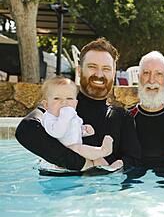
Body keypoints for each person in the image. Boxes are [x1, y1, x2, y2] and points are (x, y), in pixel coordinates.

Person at [16, 38, 141, 171]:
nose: (99, 74)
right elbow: (26, 130)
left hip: (103, 189)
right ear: (79, 71)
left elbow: (133, 159)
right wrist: (83, 165)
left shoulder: (122, 116)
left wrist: (117, 168)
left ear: (113, 73)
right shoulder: (61, 103)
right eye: (92, 67)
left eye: (106, 69)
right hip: (58, 187)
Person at [40, 76, 113, 161]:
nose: (64, 102)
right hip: (60, 154)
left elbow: (72, 131)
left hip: (74, 151)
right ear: (46, 105)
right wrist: (65, 116)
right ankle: (103, 151)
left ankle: (110, 168)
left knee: (96, 158)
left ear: (75, 103)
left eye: (69, 98)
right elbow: (57, 133)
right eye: (57, 98)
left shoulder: (71, 115)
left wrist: (83, 130)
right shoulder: (49, 118)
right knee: (79, 148)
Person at [130, 51, 164, 167]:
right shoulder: (127, 117)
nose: (151, 80)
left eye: (159, 74)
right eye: (146, 73)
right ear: (138, 77)